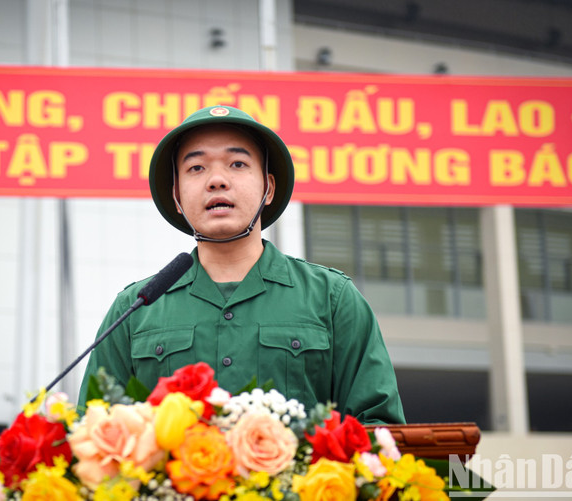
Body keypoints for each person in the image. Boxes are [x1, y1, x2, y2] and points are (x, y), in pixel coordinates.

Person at [78, 105, 405, 424]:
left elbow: (380, 430)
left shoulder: (332, 299)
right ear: (176, 196)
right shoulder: (135, 309)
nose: (217, 180)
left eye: (237, 164)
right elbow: (92, 433)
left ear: (268, 188)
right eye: (196, 168)